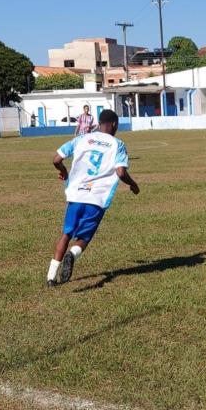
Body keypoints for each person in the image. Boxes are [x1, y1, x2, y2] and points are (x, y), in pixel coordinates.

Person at [46, 110, 140, 287]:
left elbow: (57, 159)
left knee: (66, 234)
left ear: (99, 122)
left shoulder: (82, 138)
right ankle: (72, 255)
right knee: (84, 238)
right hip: (97, 197)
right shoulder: (117, 144)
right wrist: (133, 184)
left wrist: (64, 172)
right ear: (113, 124)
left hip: (76, 194)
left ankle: (51, 278)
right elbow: (120, 172)